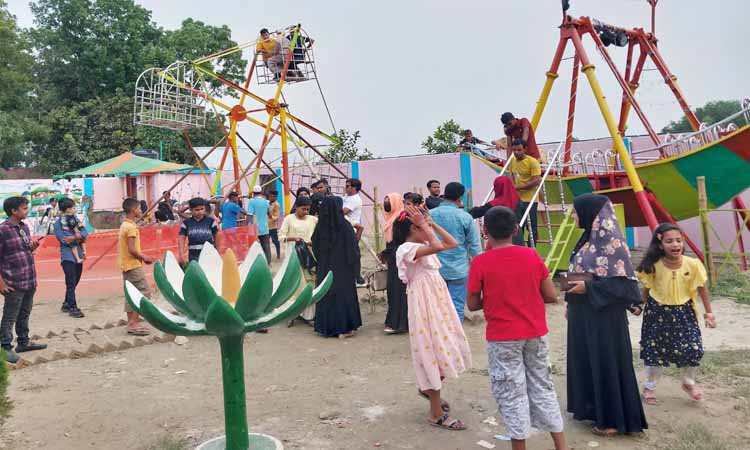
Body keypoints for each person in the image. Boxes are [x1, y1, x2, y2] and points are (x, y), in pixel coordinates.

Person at [467, 206, 568, 450]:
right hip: (535, 332)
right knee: (543, 386)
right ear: (515, 229)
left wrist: (491, 300)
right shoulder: (532, 256)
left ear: (484, 230)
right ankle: (560, 446)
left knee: (512, 393)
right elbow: (551, 295)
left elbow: (472, 304)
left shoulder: (480, 262)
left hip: (502, 337)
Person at [563, 194, 647, 436]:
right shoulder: (588, 239)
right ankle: (592, 410)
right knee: (587, 360)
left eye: (576, 212)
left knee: (605, 363)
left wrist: (588, 288)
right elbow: (583, 271)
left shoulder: (613, 245)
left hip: (604, 319)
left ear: (591, 214)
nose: (573, 216)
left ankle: (612, 419)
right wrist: (571, 301)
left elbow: (624, 287)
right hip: (583, 313)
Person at [393, 204, 472, 431]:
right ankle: (435, 414)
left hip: (437, 299)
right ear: (412, 228)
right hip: (424, 302)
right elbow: (438, 245)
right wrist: (425, 227)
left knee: (443, 346)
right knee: (431, 350)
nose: (427, 227)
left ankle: (429, 391)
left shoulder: (421, 243)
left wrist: (431, 222)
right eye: (421, 225)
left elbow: (452, 244)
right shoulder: (406, 248)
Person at [635, 223, 716, 404]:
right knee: (655, 353)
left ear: (683, 242)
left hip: (684, 313)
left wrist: (709, 313)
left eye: (678, 240)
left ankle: (688, 382)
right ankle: (649, 387)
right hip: (657, 314)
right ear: (660, 243)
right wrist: (639, 306)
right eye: (669, 241)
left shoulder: (693, 264)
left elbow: (702, 289)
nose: (675, 245)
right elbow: (646, 289)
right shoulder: (653, 265)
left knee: (693, 349)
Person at [0, 197, 47, 363]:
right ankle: (5, 348)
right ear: (14, 211)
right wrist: (1, 282)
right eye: (25, 208)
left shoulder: (24, 227)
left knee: (25, 312)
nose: (27, 211)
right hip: (13, 282)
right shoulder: (3, 230)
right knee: (10, 316)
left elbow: (23, 248)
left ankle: (23, 342)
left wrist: (31, 246)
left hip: (29, 279)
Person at [430, 182, 482, 322]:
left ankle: (440, 337)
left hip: (434, 268)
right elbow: (474, 246)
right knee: (457, 306)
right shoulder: (465, 217)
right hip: (459, 269)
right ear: (460, 197)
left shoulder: (429, 215)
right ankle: (455, 338)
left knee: (437, 306)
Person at [311, 196, 362, 338]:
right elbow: (353, 250)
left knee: (326, 294)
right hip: (343, 269)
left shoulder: (320, 227)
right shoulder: (345, 226)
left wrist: (322, 261)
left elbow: (315, 246)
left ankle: (325, 328)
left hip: (325, 269)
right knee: (343, 297)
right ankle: (344, 329)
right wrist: (355, 271)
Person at [279, 196, 319, 325]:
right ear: (296, 207)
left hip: (310, 257)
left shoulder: (313, 220)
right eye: (303, 209)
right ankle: (292, 315)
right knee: (295, 286)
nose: (306, 212)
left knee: (309, 285)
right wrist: (294, 239)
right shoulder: (288, 219)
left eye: (308, 209)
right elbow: (281, 236)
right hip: (294, 257)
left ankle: (309, 316)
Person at [118, 198, 154, 336]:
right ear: (133, 210)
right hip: (133, 265)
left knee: (131, 293)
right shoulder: (131, 227)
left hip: (126, 264)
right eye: (139, 208)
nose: (140, 211)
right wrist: (144, 257)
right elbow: (132, 249)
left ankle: (131, 322)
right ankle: (133, 323)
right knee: (144, 292)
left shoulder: (124, 225)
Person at [379, 192, 408, 334]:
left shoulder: (401, 219)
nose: (386, 204)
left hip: (401, 260)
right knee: (394, 291)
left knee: (398, 291)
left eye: (389, 201)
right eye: (385, 201)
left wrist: (387, 252)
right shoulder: (390, 219)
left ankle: (398, 323)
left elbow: (401, 242)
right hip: (393, 260)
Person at [54, 198, 87, 318]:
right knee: (71, 282)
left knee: (75, 280)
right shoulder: (57, 224)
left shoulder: (75, 219)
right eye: (73, 207)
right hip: (67, 256)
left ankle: (67, 303)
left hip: (78, 253)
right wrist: (76, 237)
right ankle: (73, 307)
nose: (74, 209)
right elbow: (63, 239)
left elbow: (84, 233)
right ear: (66, 209)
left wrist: (74, 237)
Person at [469, 176, 523, 245]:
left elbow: (478, 212)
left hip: (499, 237)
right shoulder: (518, 201)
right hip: (516, 235)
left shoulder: (495, 203)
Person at [509, 139, 541, 246]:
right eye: (514, 150)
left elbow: (536, 180)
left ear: (525, 149)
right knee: (518, 226)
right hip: (518, 200)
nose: (516, 152)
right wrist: (514, 188)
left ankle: (532, 249)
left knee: (531, 226)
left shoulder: (532, 161)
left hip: (530, 200)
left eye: (519, 150)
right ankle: (521, 250)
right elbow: (512, 175)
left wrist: (517, 188)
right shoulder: (512, 161)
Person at [178, 197, 220, 264]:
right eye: (196, 210)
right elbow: (181, 238)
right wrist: (181, 254)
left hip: (209, 254)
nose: (200, 212)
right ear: (191, 210)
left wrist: (218, 251)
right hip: (194, 256)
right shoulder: (186, 223)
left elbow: (216, 235)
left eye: (202, 209)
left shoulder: (210, 221)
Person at [343, 178, 366, 286]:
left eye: (348, 186)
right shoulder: (347, 197)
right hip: (345, 229)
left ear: (354, 188)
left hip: (351, 229)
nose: (345, 188)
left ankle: (357, 277)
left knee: (353, 255)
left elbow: (343, 212)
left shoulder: (355, 199)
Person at [247, 185, 272, 263]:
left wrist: (245, 225)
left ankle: (256, 263)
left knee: (254, 247)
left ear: (253, 193)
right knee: (266, 246)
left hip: (254, 229)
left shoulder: (252, 201)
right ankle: (268, 263)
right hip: (264, 228)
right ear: (261, 192)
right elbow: (269, 214)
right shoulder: (266, 201)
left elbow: (249, 215)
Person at [267, 191, 281, 260]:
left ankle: (278, 254)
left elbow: (277, 216)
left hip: (273, 226)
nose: (271, 197)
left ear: (276, 197)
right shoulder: (267, 203)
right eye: (270, 196)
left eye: (273, 196)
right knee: (266, 242)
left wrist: (271, 216)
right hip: (265, 226)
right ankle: (268, 256)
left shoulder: (277, 205)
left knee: (275, 241)